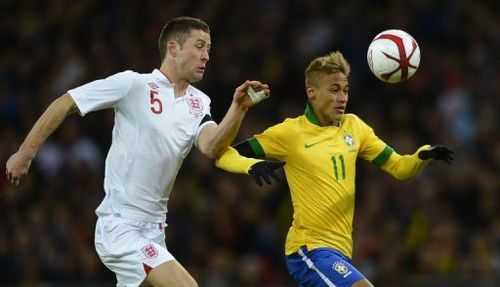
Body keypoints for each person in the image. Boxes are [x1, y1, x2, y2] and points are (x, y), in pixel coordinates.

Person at [5, 16, 272, 287]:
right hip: (121, 227)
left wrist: (238, 109)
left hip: (155, 232)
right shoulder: (134, 85)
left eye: (209, 49)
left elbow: (212, 146)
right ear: (173, 48)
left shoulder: (199, 103)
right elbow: (65, 102)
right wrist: (25, 153)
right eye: (199, 46)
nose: (206, 56)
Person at [215, 51, 454, 287]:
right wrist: (250, 165)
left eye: (345, 90)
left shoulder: (355, 127)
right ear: (312, 92)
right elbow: (222, 153)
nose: (342, 98)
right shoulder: (289, 133)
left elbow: (399, 167)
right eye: (334, 90)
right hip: (308, 249)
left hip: (341, 251)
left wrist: (422, 155)